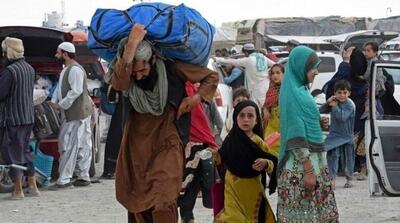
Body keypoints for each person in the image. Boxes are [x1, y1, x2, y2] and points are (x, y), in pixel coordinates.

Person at [110, 24, 218, 222]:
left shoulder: (173, 68)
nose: (139, 76)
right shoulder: (127, 77)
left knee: (164, 198)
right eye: (134, 72)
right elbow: (119, 83)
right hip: (136, 146)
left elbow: (211, 77)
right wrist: (132, 44)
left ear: (153, 58)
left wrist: (196, 99)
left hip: (168, 141)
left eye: (142, 69)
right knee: (138, 201)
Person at [277, 46, 339, 222]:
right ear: (301, 67)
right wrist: (309, 171)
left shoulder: (301, 89)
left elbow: (302, 120)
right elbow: (295, 133)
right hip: (300, 166)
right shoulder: (292, 94)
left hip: (313, 161)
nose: (317, 72)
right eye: (313, 67)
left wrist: (317, 121)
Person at [211, 100, 277, 223]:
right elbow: (222, 162)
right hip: (232, 189)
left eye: (250, 116)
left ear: (257, 120)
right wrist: (216, 156)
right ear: (235, 118)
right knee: (233, 218)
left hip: (252, 190)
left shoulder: (258, 142)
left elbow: (272, 162)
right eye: (242, 115)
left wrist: (265, 163)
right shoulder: (230, 140)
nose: (246, 119)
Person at [0, 37, 40, 199]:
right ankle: (32, 186)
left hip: (12, 118)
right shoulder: (29, 68)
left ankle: (18, 190)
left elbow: (2, 93)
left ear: (8, 52)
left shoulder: (10, 71)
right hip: (27, 117)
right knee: (24, 151)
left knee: (11, 153)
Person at [50, 42, 93, 189]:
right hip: (72, 113)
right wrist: (54, 101)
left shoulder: (75, 70)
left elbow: (75, 91)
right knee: (78, 145)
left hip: (76, 114)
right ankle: (82, 176)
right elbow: (60, 88)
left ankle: (65, 179)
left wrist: (60, 104)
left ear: (65, 54)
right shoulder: (66, 69)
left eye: (58, 52)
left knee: (70, 145)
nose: (56, 55)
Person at [178, 82, 217, 223]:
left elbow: (201, 121)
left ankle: (187, 217)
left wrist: (211, 143)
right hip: (178, 144)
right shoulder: (184, 88)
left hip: (194, 146)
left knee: (191, 184)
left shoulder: (192, 91)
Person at [214, 43, 275, 108]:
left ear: (246, 52)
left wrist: (217, 59)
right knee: (262, 106)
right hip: (265, 86)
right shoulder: (263, 58)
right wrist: (269, 72)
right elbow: (275, 65)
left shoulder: (249, 60)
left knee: (255, 107)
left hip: (254, 89)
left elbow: (232, 61)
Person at [320, 80, 355, 188]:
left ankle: (349, 179)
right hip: (335, 135)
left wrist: (335, 106)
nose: (342, 95)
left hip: (347, 136)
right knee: (332, 156)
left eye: (345, 92)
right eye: (339, 92)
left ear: (349, 93)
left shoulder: (350, 105)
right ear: (335, 93)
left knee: (347, 158)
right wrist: (328, 102)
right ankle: (332, 180)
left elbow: (342, 118)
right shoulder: (335, 101)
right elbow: (321, 110)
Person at [263, 64, 284, 157]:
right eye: (272, 73)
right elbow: (266, 104)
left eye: (278, 73)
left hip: (284, 127)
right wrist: (265, 109)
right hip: (271, 126)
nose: (275, 75)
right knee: (268, 149)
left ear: (283, 74)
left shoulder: (288, 89)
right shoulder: (270, 90)